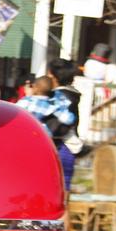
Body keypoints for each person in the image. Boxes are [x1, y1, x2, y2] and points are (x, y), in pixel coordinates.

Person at [47, 58, 82, 190]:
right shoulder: (71, 95)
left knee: (55, 189)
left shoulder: (60, 97)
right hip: (68, 147)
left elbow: (59, 127)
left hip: (60, 146)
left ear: (53, 76)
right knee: (63, 188)